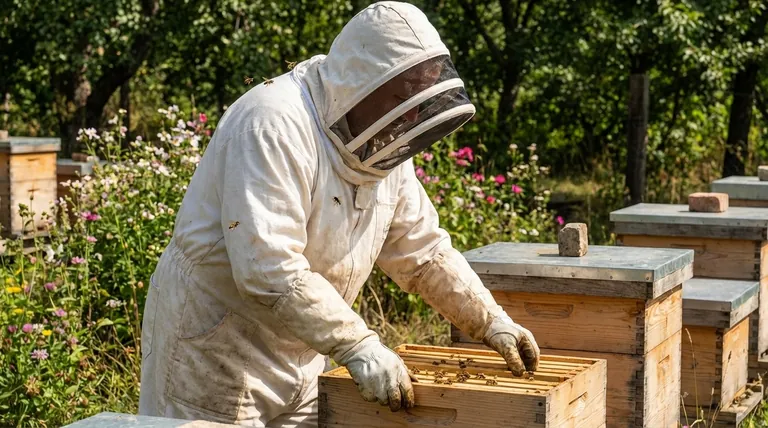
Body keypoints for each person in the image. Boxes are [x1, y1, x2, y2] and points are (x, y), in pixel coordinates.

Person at [137, 2, 540, 426]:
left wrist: (490, 321)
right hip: (216, 348)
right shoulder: (272, 123)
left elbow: (424, 252)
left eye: (421, 101)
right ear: (361, 81)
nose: (414, 115)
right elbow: (268, 267)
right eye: (405, 98)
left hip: (305, 349)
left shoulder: (384, 153)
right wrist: (357, 345)